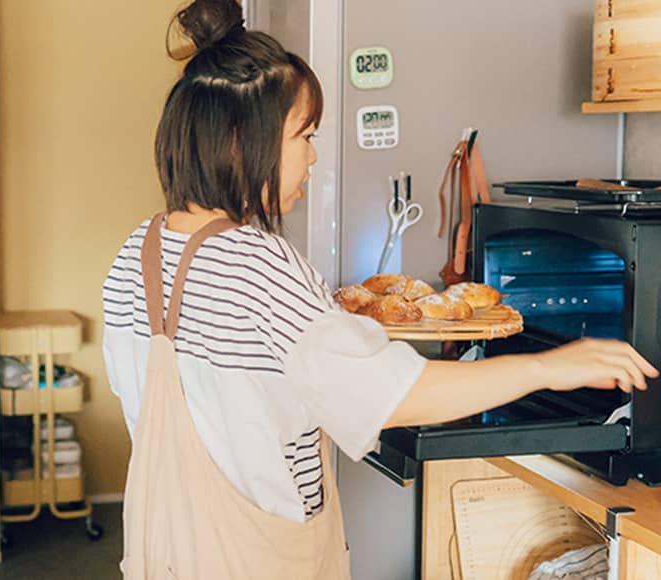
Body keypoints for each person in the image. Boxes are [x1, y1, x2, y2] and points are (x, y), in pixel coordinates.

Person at [102, 1, 658, 577]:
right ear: (245, 143)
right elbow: (398, 398)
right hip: (256, 558)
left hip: (165, 552)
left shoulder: (136, 253)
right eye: (304, 136)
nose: (313, 158)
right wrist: (551, 367)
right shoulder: (259, 265)